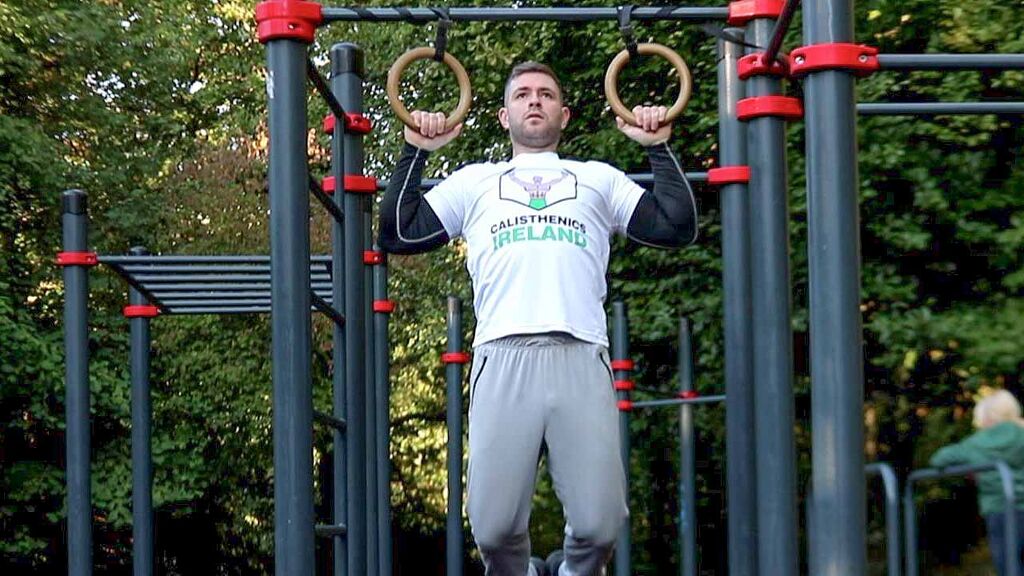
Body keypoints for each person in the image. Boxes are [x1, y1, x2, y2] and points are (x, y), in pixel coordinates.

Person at [379, 61, 698, 576]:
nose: (534, 101)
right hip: (502, 357)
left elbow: (676, 226)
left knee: (600, 525)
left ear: (564, 114)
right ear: (504, 116)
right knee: (493, 529)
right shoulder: (476, 183)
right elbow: (398, 232)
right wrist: (416, 148)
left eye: (546, 94)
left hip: (580, 354)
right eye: (522, 95)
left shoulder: (596, 179)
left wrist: (657, 145)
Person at [930, 389, 1024, 576]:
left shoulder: (977, 443)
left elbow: (938, 460)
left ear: (986, 416)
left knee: (1008, 565)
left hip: (1000, 509)